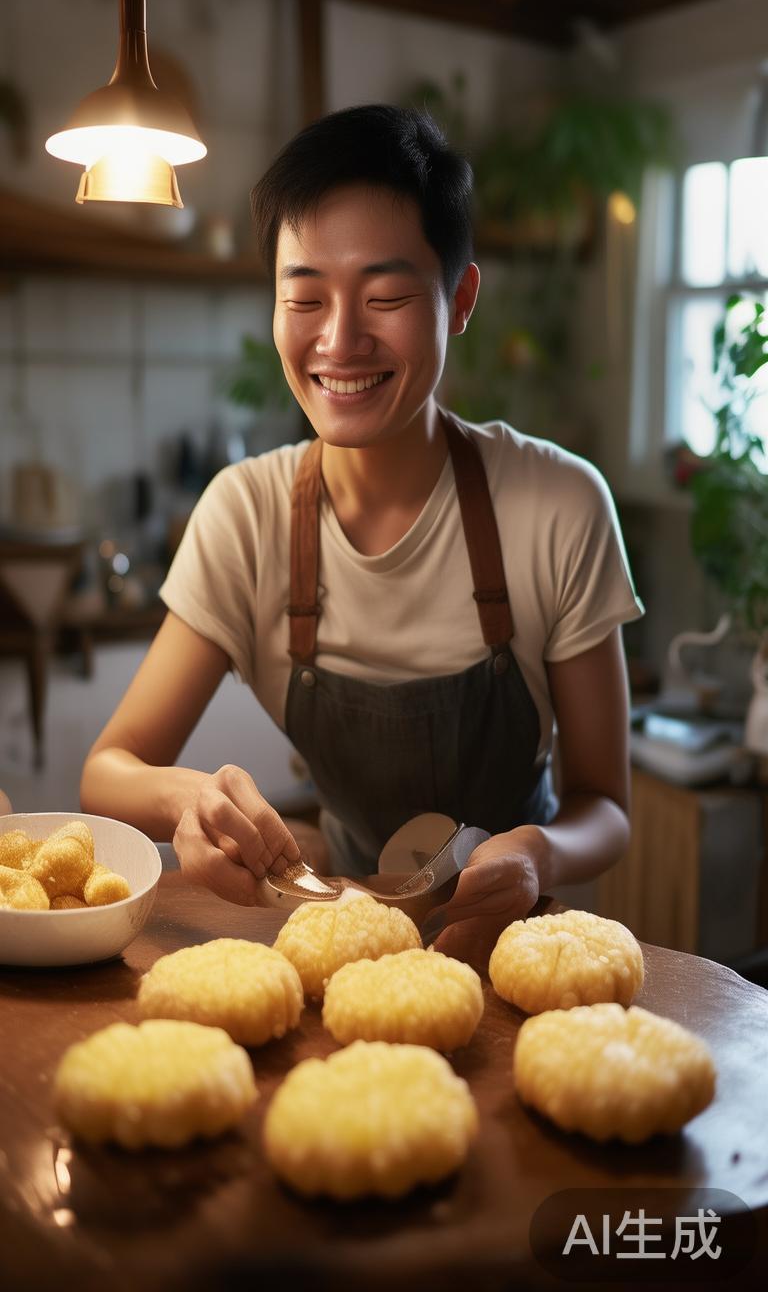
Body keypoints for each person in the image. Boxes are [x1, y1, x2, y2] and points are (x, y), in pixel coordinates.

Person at [81, 104, 643, 967]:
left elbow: (605, 802)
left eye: (384, 297)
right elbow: (109, 770)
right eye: (304, 297)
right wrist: (193, 801)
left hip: (521, 949)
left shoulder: (558, 503)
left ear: (459, 301)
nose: (339, 341)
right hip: (327, 929)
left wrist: (538, 852)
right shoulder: (246, 516)